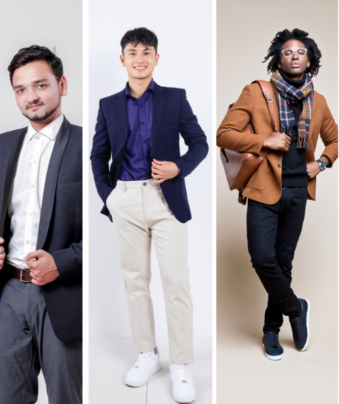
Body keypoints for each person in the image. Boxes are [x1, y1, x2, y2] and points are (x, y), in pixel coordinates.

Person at [90, 27, 208, 403]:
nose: (140, 58)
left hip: (165, 199)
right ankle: (148, 354)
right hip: (125, 198)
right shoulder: (108, 104)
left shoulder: (175, 99)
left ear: (157, 58)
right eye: (132, 52)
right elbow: (97, 155)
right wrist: (109, 198)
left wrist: (179, 167)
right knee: (135, 282)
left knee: (176, 284)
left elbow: (201, 143)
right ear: (122, 59)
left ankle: (181, 364)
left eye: (147, 52)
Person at [217, 28, 337, 363]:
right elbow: (223, 134)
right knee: (262, 258)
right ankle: (295, 308)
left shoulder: (319, 101)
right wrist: (264, 141)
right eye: (288, 52)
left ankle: (271, 330)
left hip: (298, 191)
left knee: (283, 263)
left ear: (309, 58)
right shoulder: (257, 92)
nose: (295, 56)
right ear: (279, 58)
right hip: (263, 190)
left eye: (301, 51)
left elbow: (335, 141)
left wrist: (323, 164)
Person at [0, 45, 82, 404]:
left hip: (64, 294)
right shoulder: (1, 145)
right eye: (21, 90)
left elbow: (113, 228)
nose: (31, 97)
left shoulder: (89, 146)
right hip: (9, 290)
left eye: (40, 85)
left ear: (62, 85)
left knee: (66, 397)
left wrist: (64, 262)